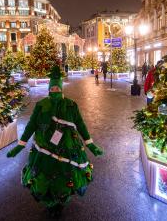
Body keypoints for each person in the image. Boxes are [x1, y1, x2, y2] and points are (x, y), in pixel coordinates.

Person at [7, 65, 103, 217]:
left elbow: (81, 125)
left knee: (66, 177)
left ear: (61, 89)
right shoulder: (41, 105)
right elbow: (31, 126)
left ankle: (62, 201)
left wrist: (90, 144)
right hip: (43, 150)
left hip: (68, 148)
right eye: (52, 89)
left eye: (57, 89)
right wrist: (20, 145)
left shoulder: (71, 105)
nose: (55, 92)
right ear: (49, 89)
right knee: (43, 177)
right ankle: (50, 203)